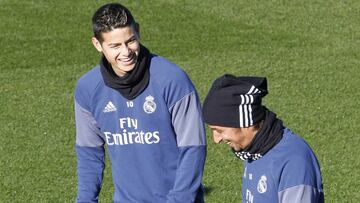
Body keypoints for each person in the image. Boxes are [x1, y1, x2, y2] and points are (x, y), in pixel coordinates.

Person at [74, 3, 206, 203]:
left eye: (131, 41)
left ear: (138, 31)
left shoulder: (173, 80)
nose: (126, 52)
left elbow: (193, 148)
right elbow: (89, 153)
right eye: (115, 46)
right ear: (97, 44)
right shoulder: (87, 89)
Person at [202, 74, 324, 203]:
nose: (216, 139)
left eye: (219, 130)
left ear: (245, 123)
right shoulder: (255, 150)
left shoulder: (294, 162)